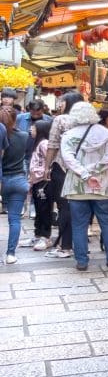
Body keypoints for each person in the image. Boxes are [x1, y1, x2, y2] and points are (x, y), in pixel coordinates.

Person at [60, 102, 108, 272]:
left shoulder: (69, 135)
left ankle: (81, 261)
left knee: (79, 225)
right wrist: (96, 170)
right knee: (107, 224)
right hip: (104, 187)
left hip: (77, 188)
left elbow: (68, 159)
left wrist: (85, 174)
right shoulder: (107, 134)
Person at [44, 91, 84, 258]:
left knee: (64, 206)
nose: (60, 105)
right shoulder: (88, 121)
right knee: (80, 207)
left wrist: (46, 167)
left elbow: (53, 145)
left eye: (62, 102)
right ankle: (77, 244)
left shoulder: (60, 120)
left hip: (62, 166)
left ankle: (65, 245)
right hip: (83, 168)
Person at [0, 108, 29, 264]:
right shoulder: (24, 136)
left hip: (2, 179)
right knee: (14, 219)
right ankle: (10, 253)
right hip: (18, 180)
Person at [28, 119, 54, 251]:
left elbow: (51, 160)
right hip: (37, 181)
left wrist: (46, 172)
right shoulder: (38, 143)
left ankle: (46, 237)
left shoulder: (44, 144)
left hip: (44, 181)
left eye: (33, 128)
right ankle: (38, 234)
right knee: (39, 209)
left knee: (44, 210)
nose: (31, 130)